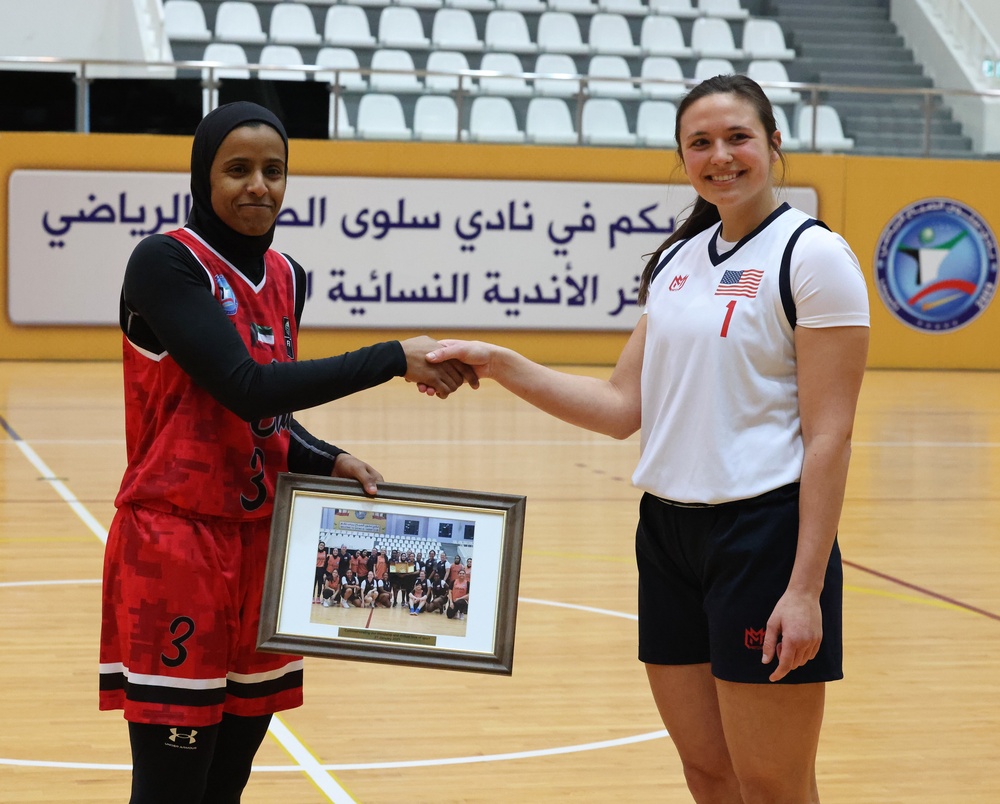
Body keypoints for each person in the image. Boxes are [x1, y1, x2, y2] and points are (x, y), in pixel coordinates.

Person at [426, 74, 870, 803]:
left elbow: (830, 436)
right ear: (682, 155)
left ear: (774, 143)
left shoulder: (815, 259)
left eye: (738, 138)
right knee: (707, 772)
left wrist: (804, 588)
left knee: (774, 784)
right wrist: (500, 363)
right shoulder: (676, 262)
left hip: (761, 535)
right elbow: (617, 406)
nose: (720, 156)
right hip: (667, 535)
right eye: (701, 143)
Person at [98, 101, 475, 804]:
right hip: (176, 544)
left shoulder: (290, 275)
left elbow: (267, 415)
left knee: (228, 777)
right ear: (202, 176)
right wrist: (394, 356)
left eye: (274, 171)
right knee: (172, 784)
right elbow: (243, 384)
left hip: (265, 546)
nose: (258, 186)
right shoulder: (165, 261)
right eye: (236, 169)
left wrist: (326, 457)